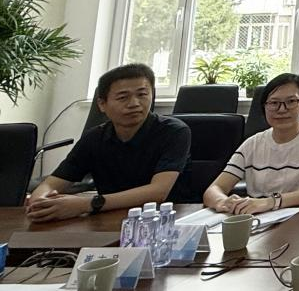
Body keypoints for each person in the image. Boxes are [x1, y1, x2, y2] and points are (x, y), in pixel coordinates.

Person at [27, 64, 190, 222]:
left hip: (164, 220)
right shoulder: (94, 138)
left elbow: (158, 192)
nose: (134, 103)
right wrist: (40, 201)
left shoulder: (174, 131)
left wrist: (88, 204)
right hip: (108, 219)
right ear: (102, 104)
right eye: (123, 97)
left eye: (142, 94)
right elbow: (52, 184)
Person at [203, 74, 299, 214]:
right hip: (258, 218)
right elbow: (214, 189)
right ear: (264, 107)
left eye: (291, 101)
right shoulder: (252, 144)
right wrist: (222, 201)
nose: (281, 109)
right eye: (274, 103)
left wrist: (271, 202)